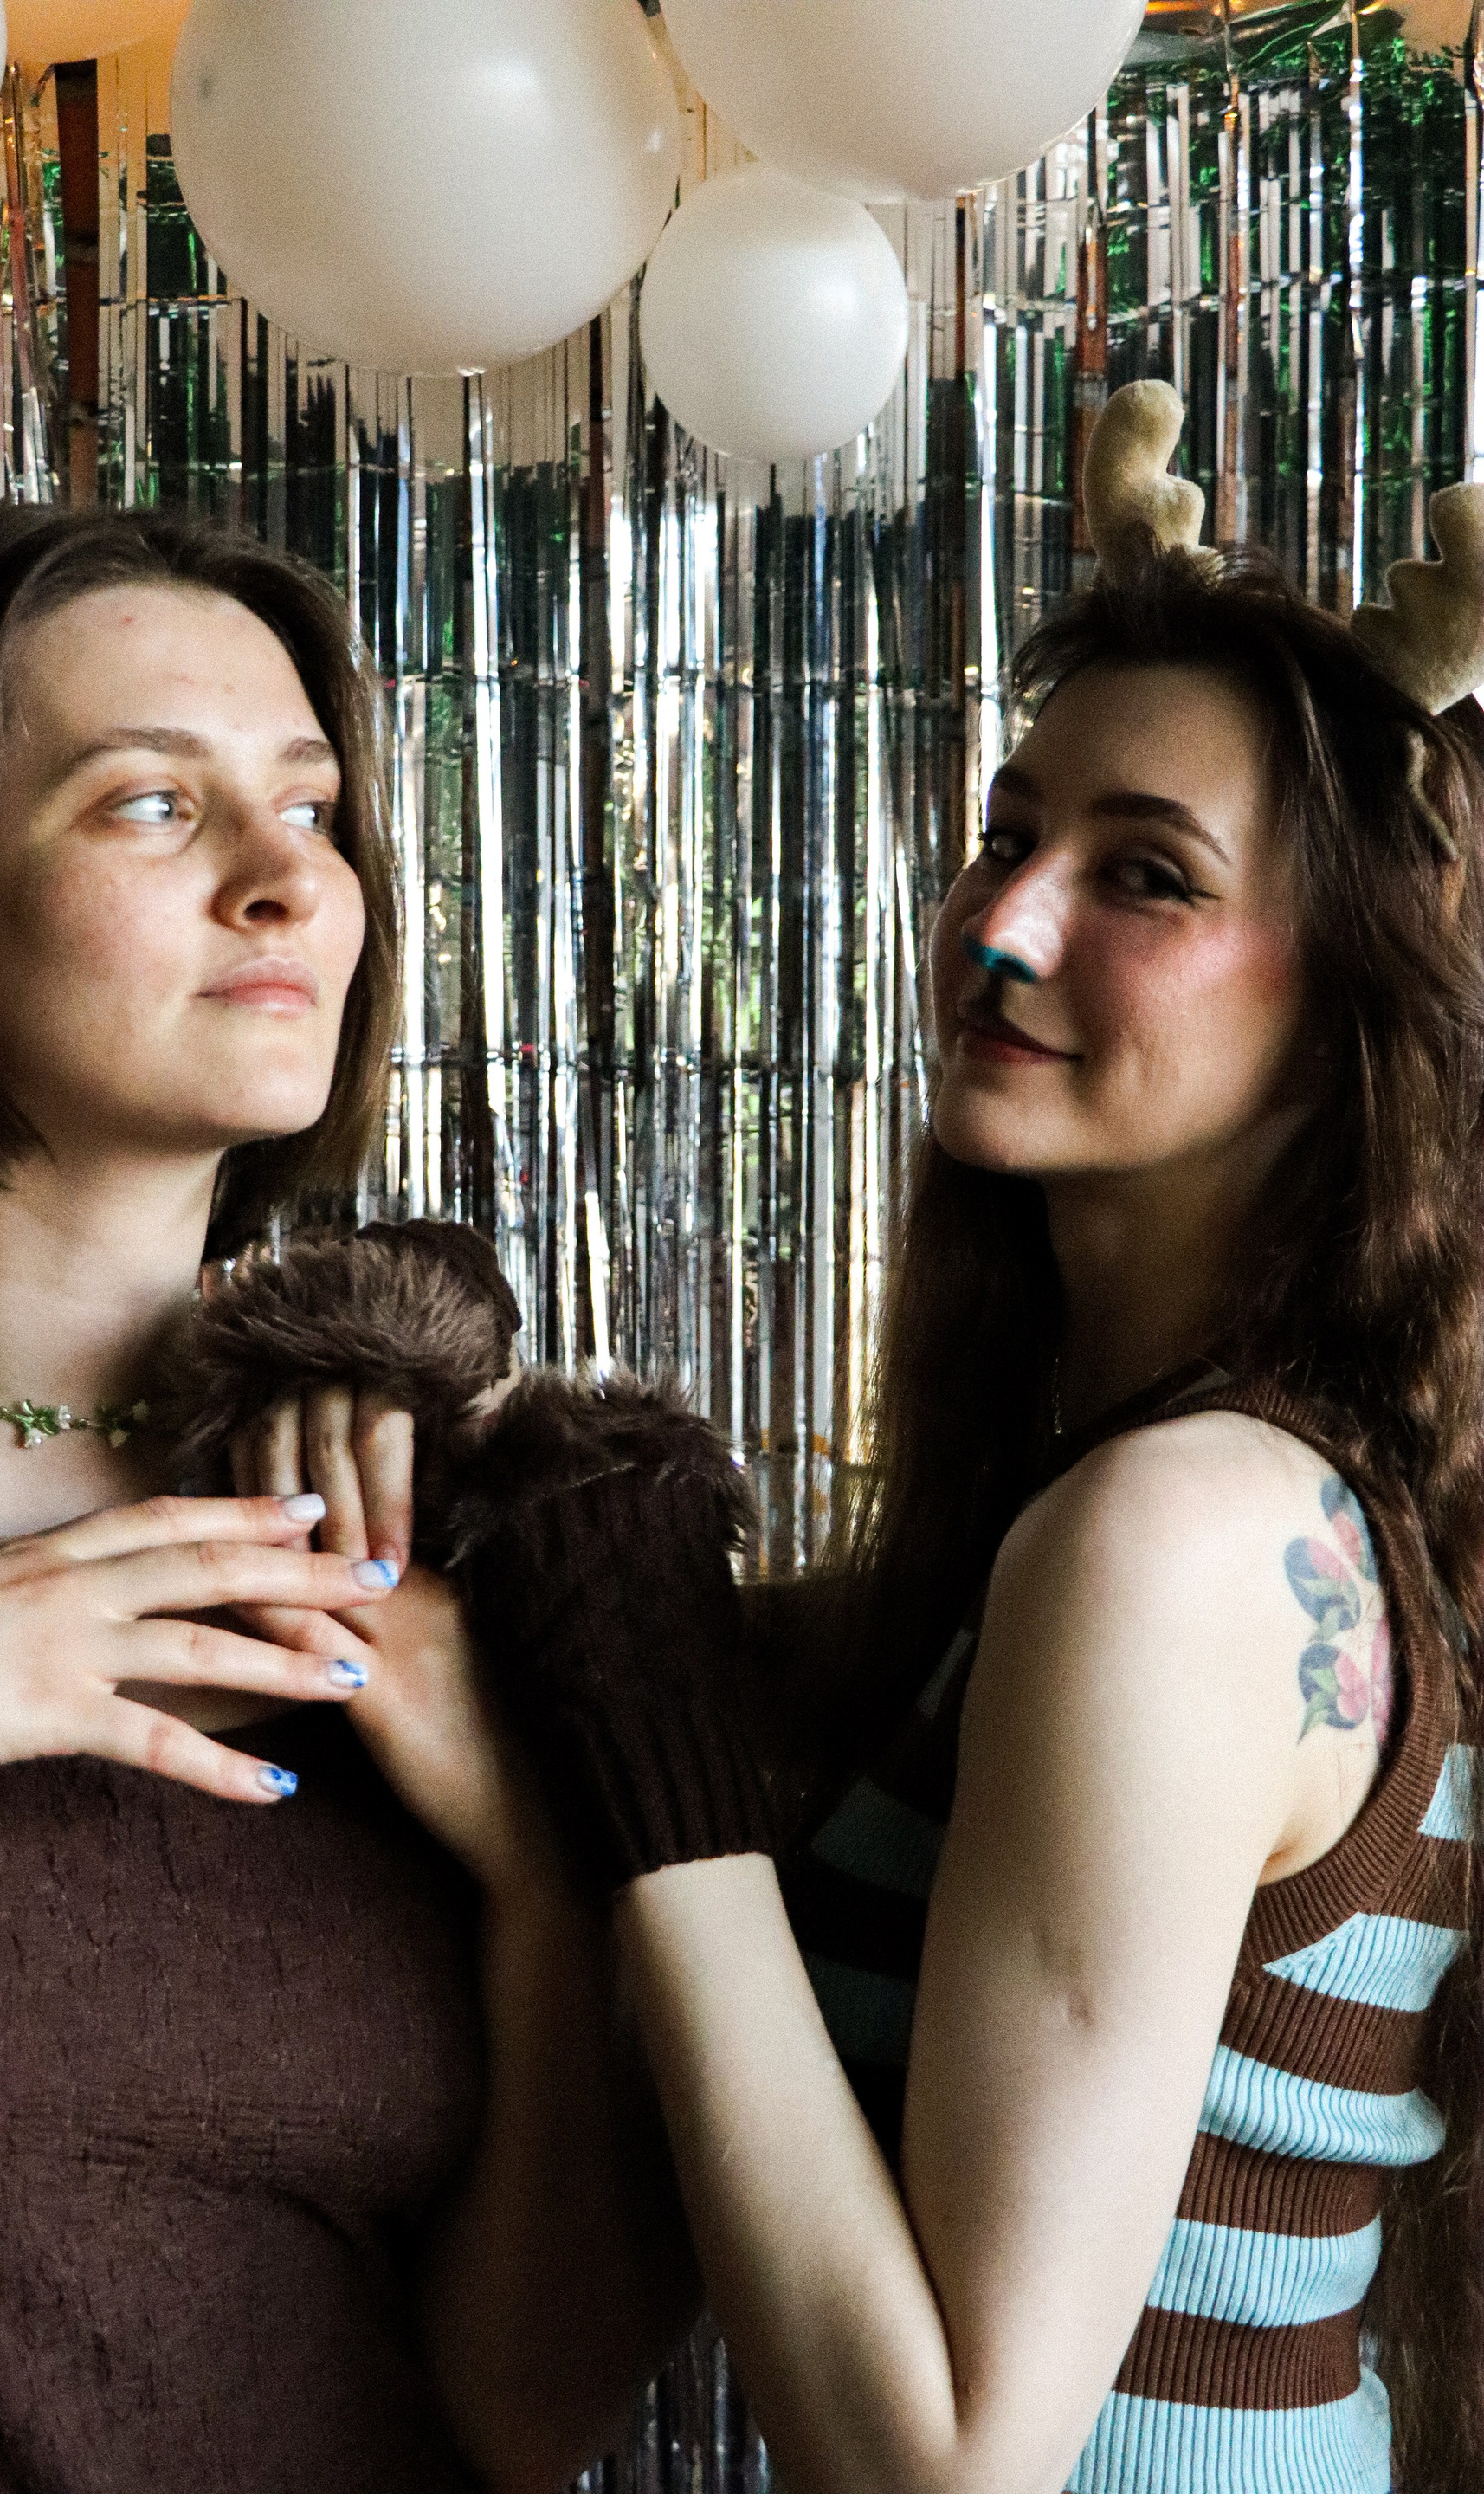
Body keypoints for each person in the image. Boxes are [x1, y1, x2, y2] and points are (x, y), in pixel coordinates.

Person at [453, 385, 1484, 2494]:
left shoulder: (1177, 1543)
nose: (1004, 928)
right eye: (1012, 837)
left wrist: (671, 1799)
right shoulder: (1211, 1497)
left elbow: (948, 2464)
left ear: (1347, 1008)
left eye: (1147, 878)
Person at [0, 504, 689, 2494]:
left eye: (311, 809)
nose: (284, 878)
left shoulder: (442, 1512)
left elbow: (533, 2416)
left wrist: (544, 1890)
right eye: (152, 804)